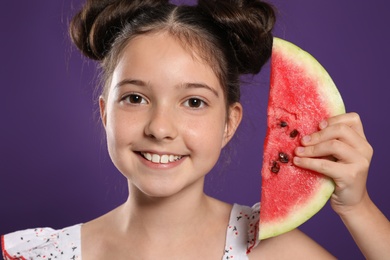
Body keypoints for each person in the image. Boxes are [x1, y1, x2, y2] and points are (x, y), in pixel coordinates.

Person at [2, 0, 389, 259]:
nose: (161, 128)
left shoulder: (267, 249)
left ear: (228, 123)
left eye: (194, 102)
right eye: (135, 98)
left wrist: (358, 208)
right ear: (105, 113)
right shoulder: (36, 254)